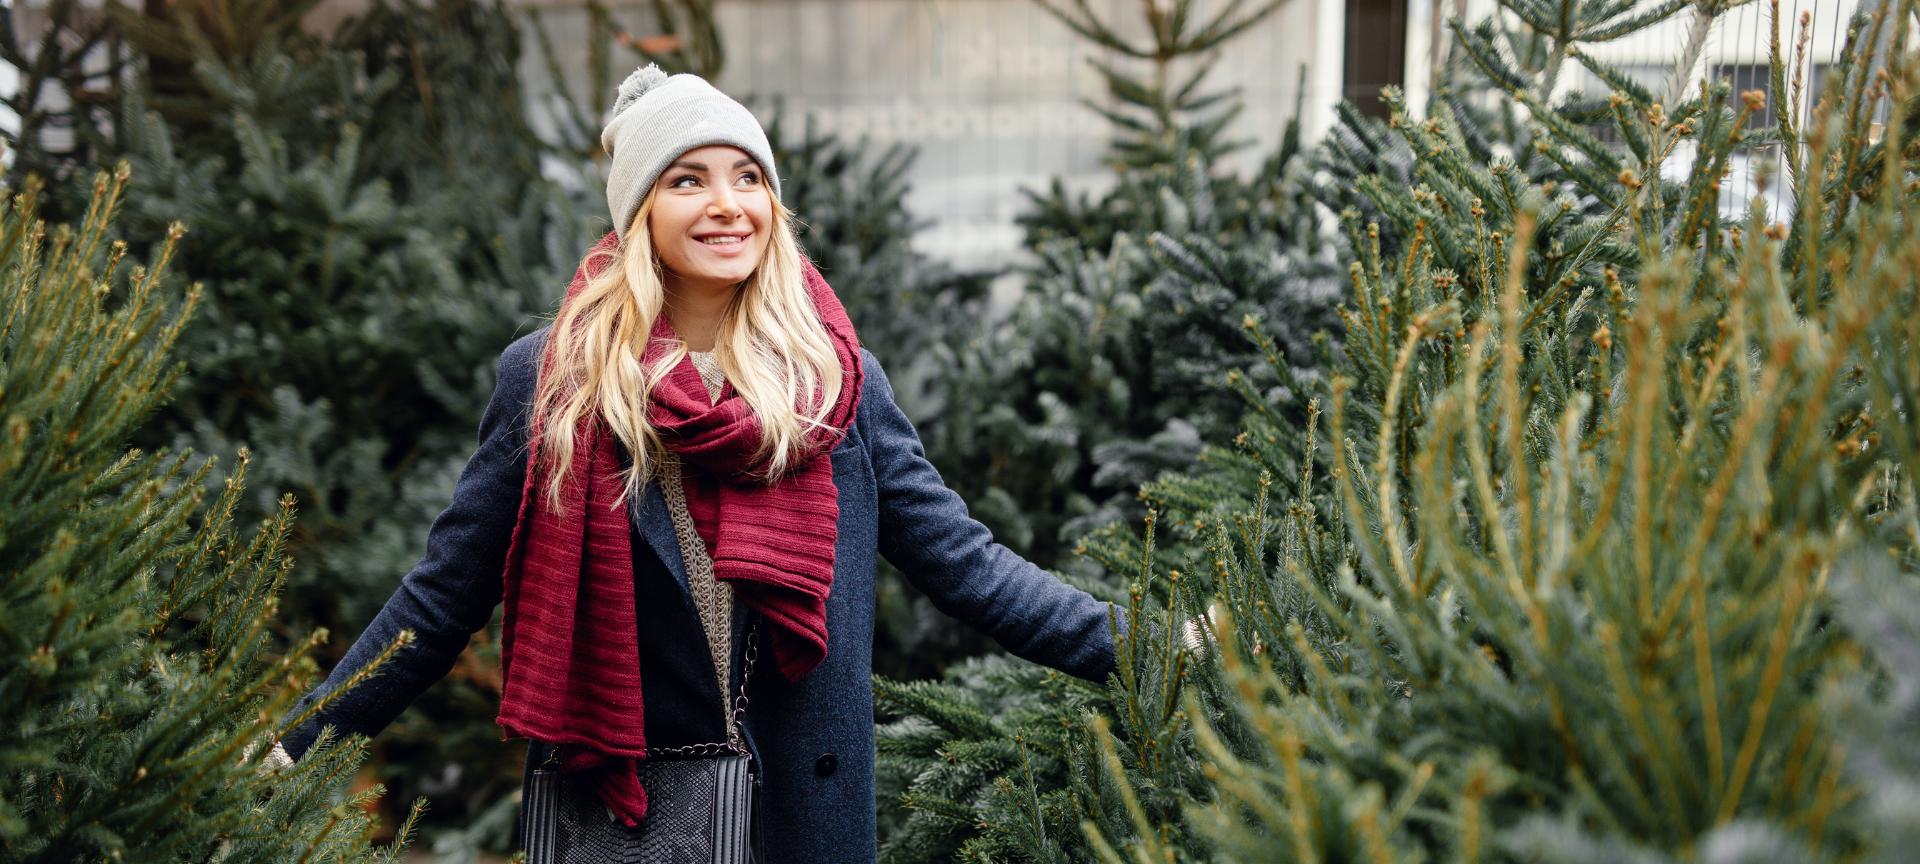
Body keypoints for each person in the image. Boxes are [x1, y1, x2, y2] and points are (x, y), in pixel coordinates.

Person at [273, 65, 1120, 863]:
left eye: (747, 178)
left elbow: (965, 565)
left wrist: (1148, 647)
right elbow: (443, 596)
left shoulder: (833, 384)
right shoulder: (557, 380)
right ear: (639, 209)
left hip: (800, 810)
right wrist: (292, 750)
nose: (727, 206)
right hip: (632, 815)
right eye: (688, 181)